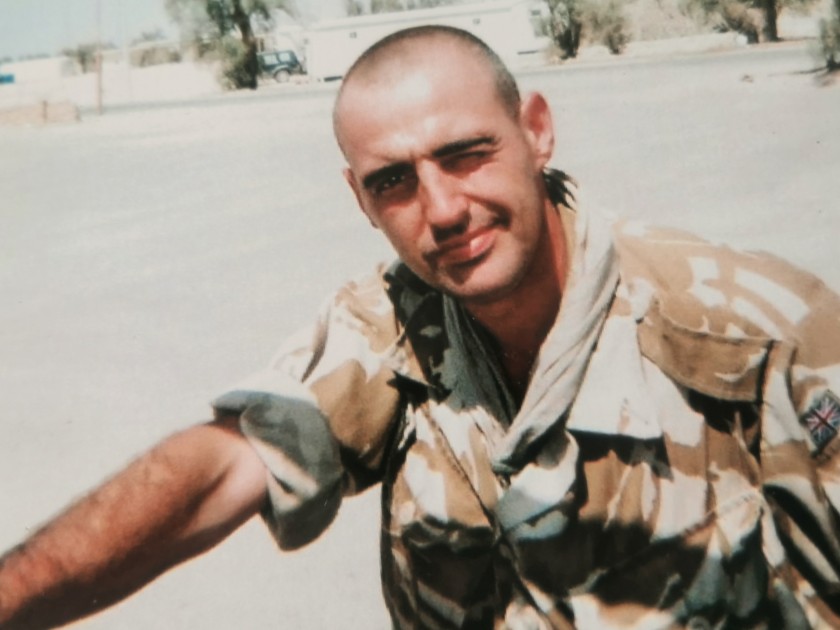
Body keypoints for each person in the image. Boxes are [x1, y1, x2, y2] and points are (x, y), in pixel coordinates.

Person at [2, 24, 840, 629]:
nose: (441, 210)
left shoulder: (758, 335)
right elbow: (222, 465)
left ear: (536, 131)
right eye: (393, 181)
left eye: (467, 153)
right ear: (360, 200)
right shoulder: (391, 324)